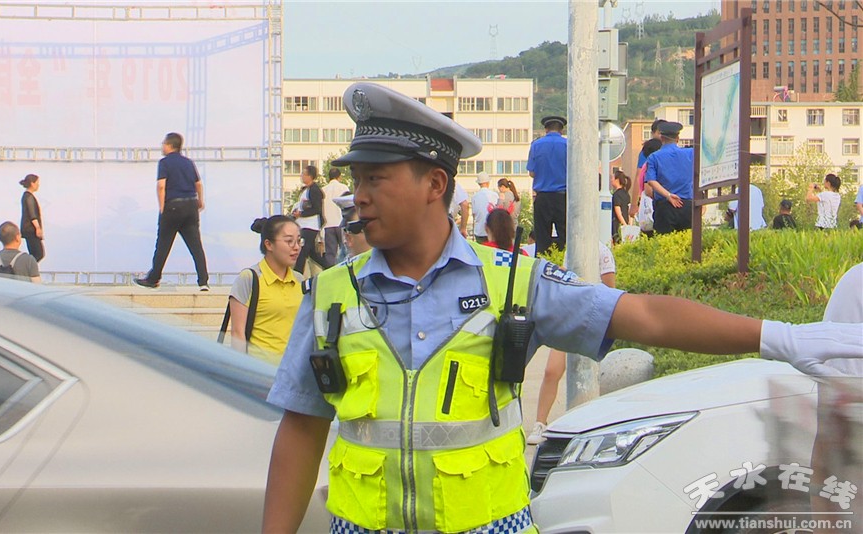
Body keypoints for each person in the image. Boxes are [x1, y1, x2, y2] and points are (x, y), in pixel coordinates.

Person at [262, 82, 861, 534]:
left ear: (435, 185)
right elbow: (302, 428)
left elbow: (643, 316)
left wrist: (777, 336)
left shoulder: (514, 283)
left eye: (376, 179)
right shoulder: (332, 294)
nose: (359, 196)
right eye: (357, 180)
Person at [527, 242, 616, 445]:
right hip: (569, 316)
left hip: (592, 321)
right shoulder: (572, 247)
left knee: (593, 376)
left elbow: (611, 290)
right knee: (551, 371)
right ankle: (540, 423)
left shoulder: (602, 252)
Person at [134, 132, 210, 290]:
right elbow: (198, 184)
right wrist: (200, 201)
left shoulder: (165, 163)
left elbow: (161, 186)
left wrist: (162, 206)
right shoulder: (188, 163)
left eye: (163, 143)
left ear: (170, 145)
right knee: (196, 245)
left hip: (173, 206)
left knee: (163, 245)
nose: (162, 146)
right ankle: (203, 281)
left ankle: (153, 279)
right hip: (191, 206)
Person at [228, 215, 305, 359]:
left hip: (292, 368)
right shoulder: (249, 278)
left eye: (299, 241)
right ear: (268, 244)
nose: (296, 247)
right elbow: (238, 333)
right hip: (259, 368)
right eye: (289, 241)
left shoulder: (300, 280)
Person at [645, 121, 694, 234]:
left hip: (664, 206)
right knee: (687, 241)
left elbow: (651, 181)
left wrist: (668, 195)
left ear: (661, 138)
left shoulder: (653, 157)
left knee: (664, 241)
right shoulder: (691, 153)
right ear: (677, 138)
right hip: (687, 205)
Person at [528, 115, 568, 254]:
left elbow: (532, 172)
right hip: (563, 197)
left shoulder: (536, 145)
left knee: (542, 239)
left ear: (546, 129)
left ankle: (544, 264)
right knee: (565, 237)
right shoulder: (568, 145)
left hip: (543, 197)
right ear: (561, 130)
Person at [292, 165, 329, 274]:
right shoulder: (305, 190)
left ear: (310, 176)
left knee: (302, 251)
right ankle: (330, 267)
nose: (301, 176)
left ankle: (297, 275)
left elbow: (316, 209)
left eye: (304, 174)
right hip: (303, 224)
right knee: (312, 253)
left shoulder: (314, 190)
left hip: (310, 226)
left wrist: (301, 214)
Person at [321, 167, 350, 267]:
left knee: (330, 253)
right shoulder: (343, 188)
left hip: (328, 225)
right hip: (341, 222)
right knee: (345, 250)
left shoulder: (323, 190)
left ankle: (331, 272)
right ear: (339, 177)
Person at [630, 138, 662, 221]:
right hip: (654, 206)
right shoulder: (650, 167)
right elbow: (648, 189)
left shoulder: (644, 167)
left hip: (646, 205)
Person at [19, 173, 45, 262]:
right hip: (31, 230)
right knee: (38, 254)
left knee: (35, 254)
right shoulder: (28, 197)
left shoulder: (27, 196)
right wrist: (37, 227)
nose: (38, 185)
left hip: (28, 230)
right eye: (37, 183)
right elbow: (32, 214)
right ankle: (26, 267)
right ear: (32, 183)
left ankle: (28, 267)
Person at [470, 172, 499, 243]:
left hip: (479, 231)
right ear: (488, 183)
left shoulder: (475, 197)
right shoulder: (495, 195)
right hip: (493, 230)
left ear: (478, 184)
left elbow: (474, 214)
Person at [611, 170, 632, 244]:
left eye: (612, 178)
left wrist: (624, 225)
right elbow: (629, 211)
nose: (611, 180)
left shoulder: (616, 195)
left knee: (617, 243)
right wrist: (629, 225)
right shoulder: (627, 194)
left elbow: (618, 212)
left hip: (618, 225)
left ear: (617, 180)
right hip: (626, 222)